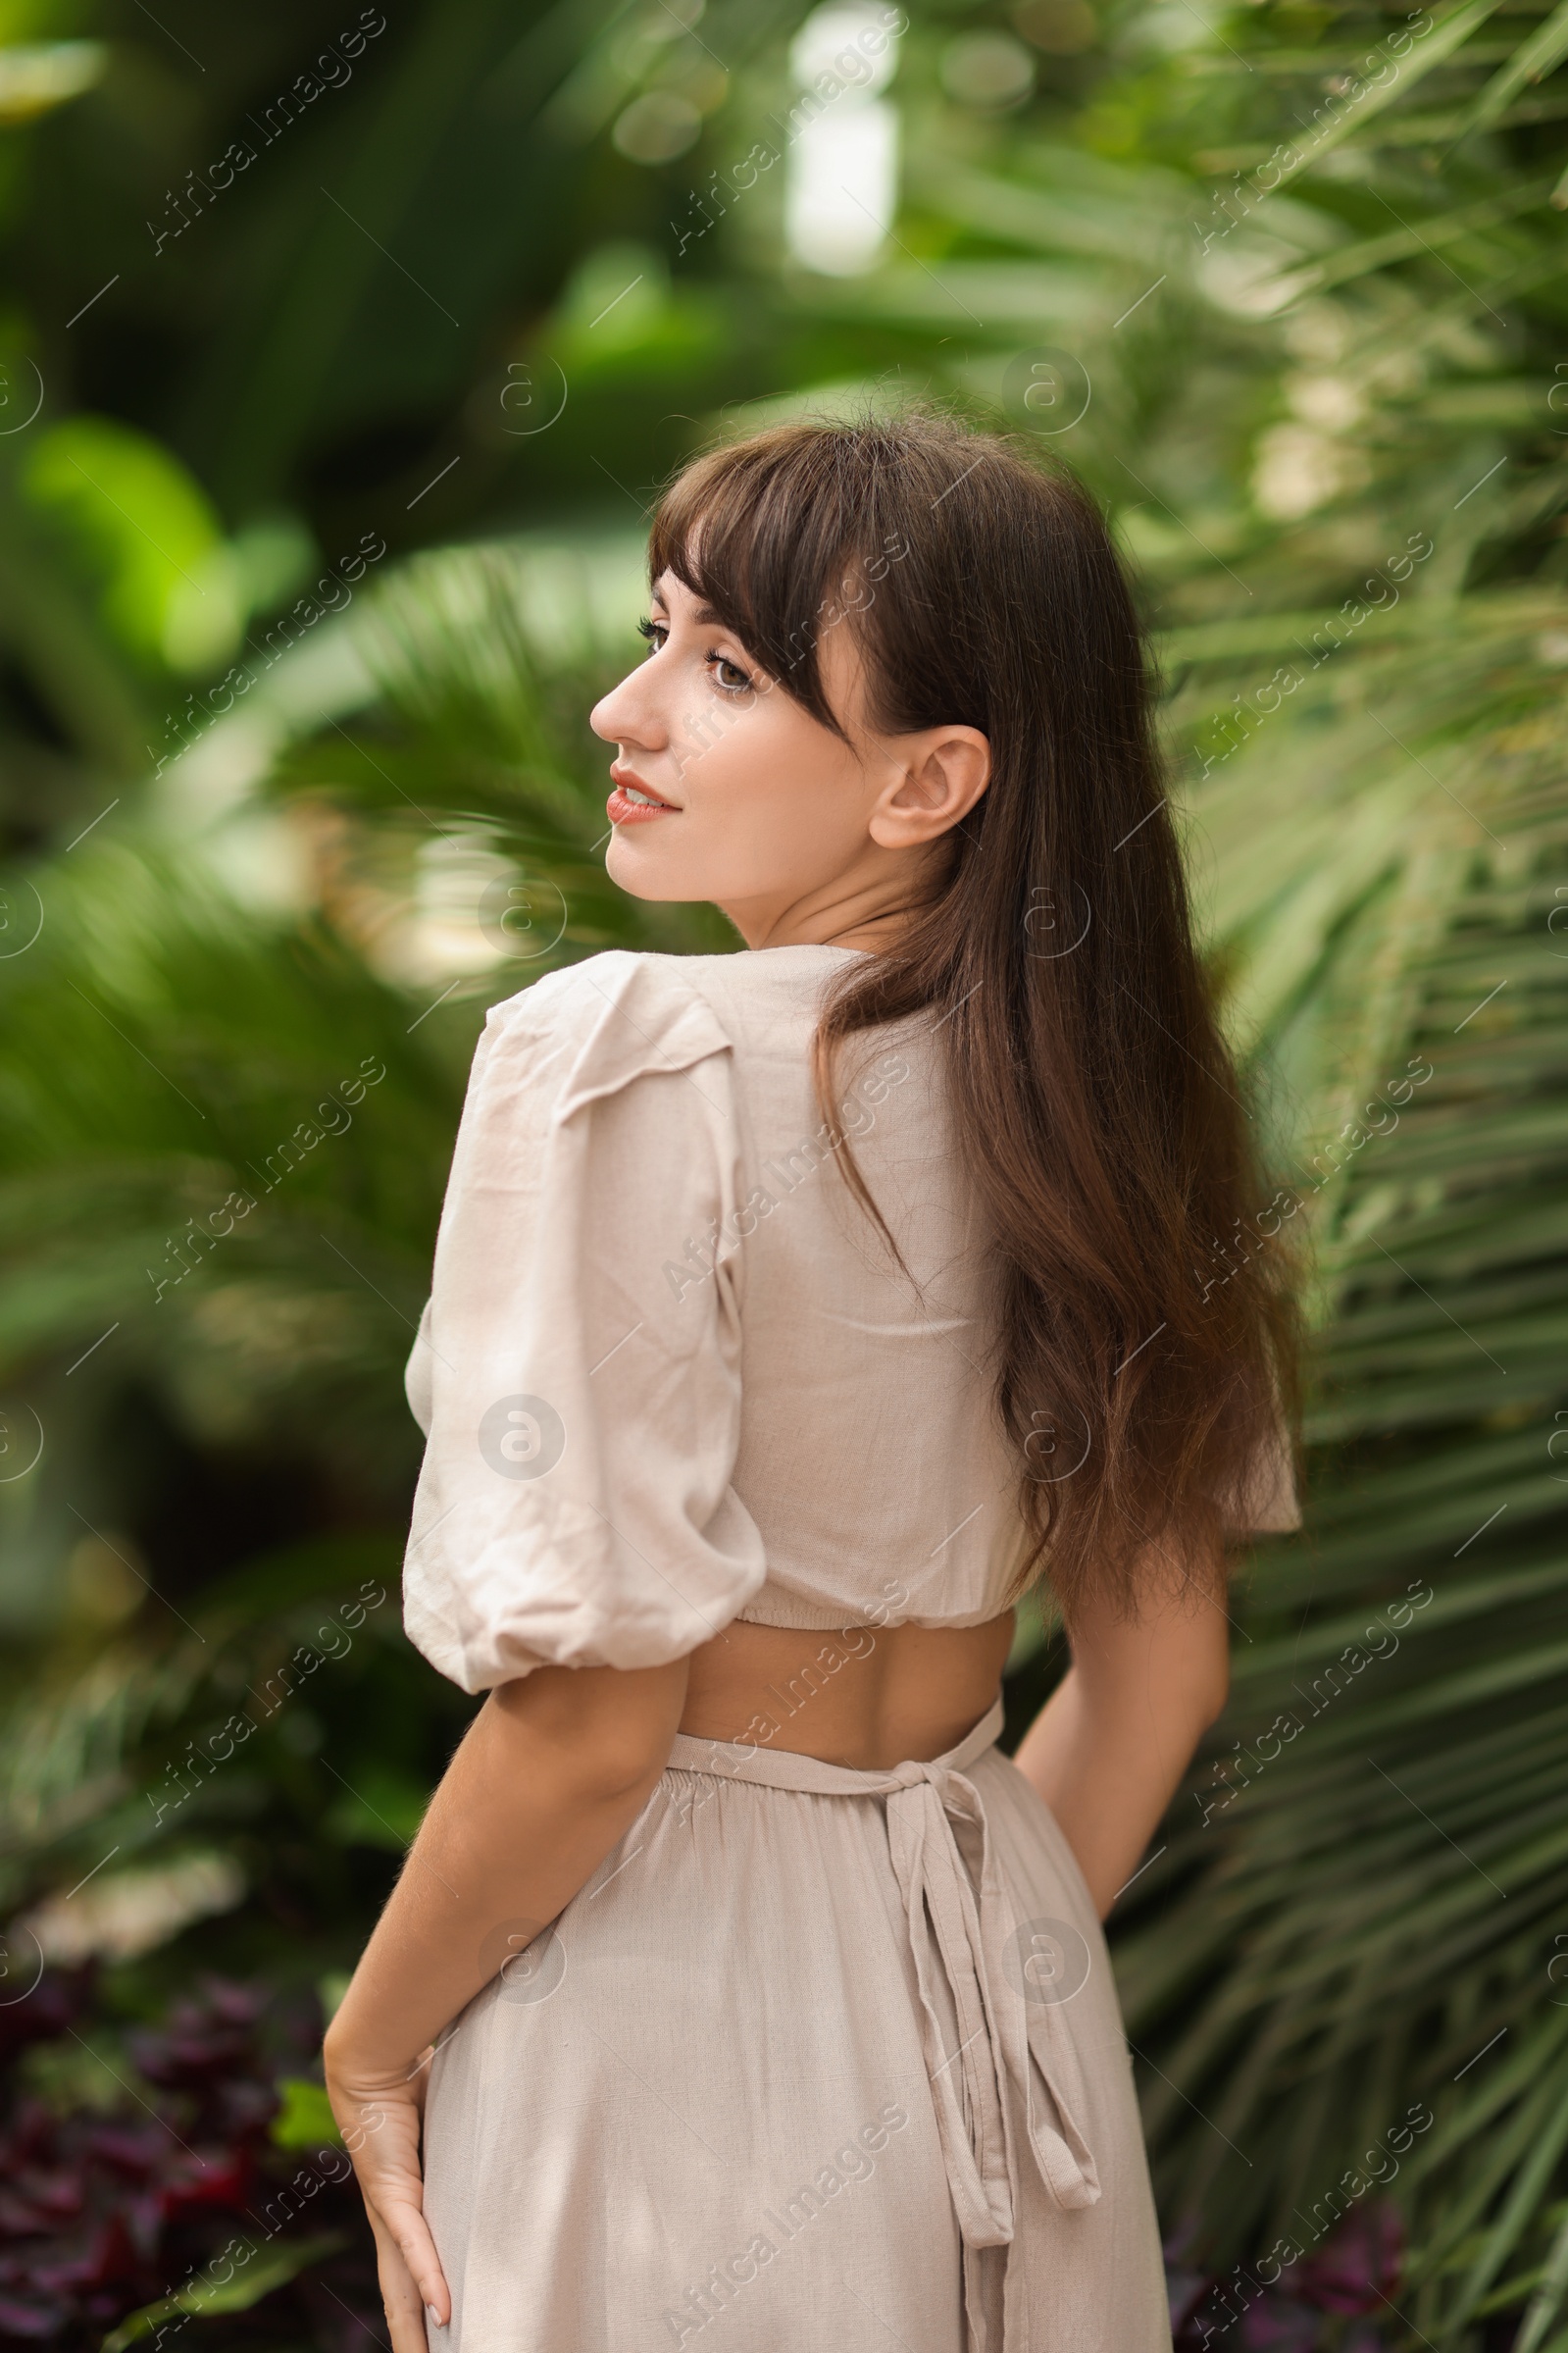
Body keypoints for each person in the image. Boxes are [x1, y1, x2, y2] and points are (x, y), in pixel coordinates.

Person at [323, 411, 1300, 2353]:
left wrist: (370, 2044)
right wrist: (951, 1975)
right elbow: (1157, 1669)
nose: (625, 709)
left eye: (726, 671)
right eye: (658, 634)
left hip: (663, 1984)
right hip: (994, 1978)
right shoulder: (1117, 1105)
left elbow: (595, 1725)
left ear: (929, 779)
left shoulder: (625, 1053)